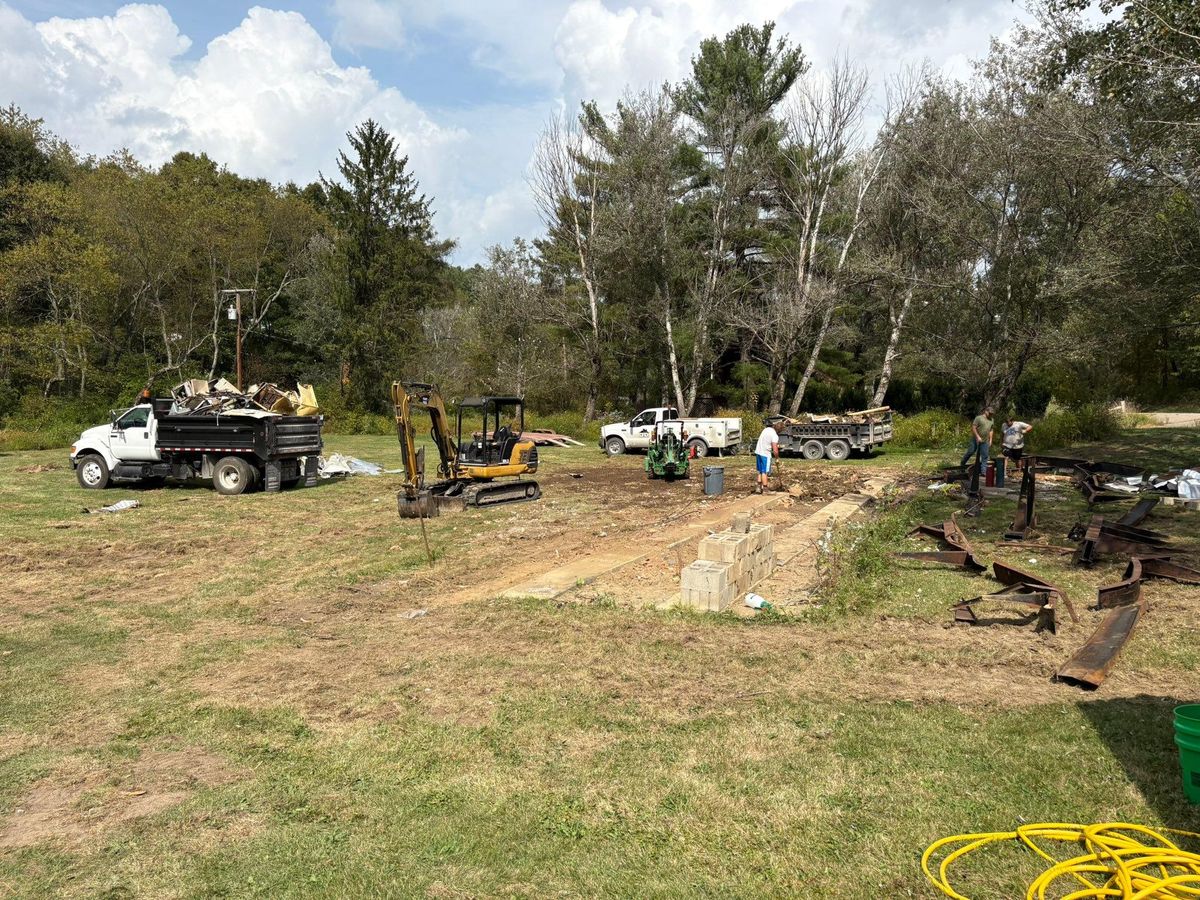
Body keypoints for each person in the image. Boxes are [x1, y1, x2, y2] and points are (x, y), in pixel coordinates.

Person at [998, 416, 1033, 487]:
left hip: (1017, 446)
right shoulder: (1004, 425)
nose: (1008, 424)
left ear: (1012, 421)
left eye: (1009, 423)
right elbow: (1002, 434)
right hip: (1007, 445)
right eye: (1006, 422)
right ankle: (1004, 473)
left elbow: (1030, 426)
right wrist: (1001, 442)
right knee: (1006, 457)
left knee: (1017, 459)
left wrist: (1025, 431)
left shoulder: (1019, 424)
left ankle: (1019, 473)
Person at [960, 405, 994, 472]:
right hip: (975, 439)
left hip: (985, 440)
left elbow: (991, 430)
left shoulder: (992, 420)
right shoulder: (979, 418)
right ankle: (962, 464)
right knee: (971, 451)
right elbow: (973, 427)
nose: (991, 415)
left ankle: (983, 471)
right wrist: (977, 436)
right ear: (986, 411)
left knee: (985, 455)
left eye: (992, 414)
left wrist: (990, 440)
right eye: (990, 413)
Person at [754, 421, 780, 494]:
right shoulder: (775, 435)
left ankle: (758, 487)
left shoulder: (766, 429)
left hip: (758, 451)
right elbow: (775, 450)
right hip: (765, 453)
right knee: (764, 472)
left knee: (760, 470)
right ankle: (765, 489)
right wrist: (777, 458)